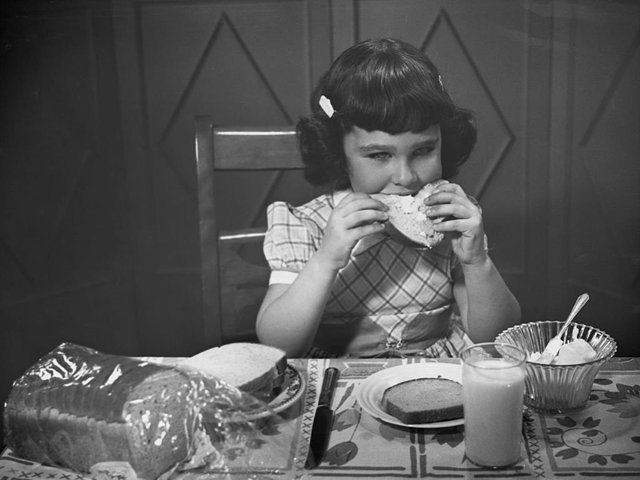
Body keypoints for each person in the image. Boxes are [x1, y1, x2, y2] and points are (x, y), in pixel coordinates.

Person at [256, 38, 521, 358]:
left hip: (436, 376)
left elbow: (495, 337)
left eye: (423, 150)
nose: (406, 177)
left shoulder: (452, 221)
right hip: (336, 388)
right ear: (338, 152)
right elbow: (277, 346)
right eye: (380, 155)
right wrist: (326, 260)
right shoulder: (305, 226)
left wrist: (477, 261)